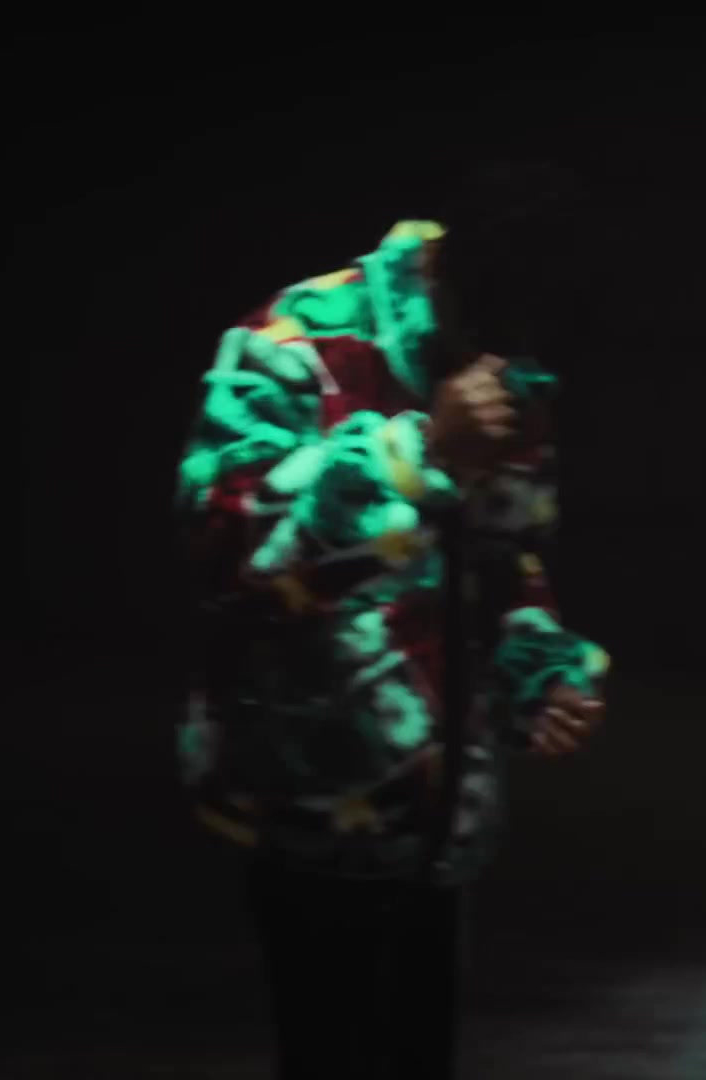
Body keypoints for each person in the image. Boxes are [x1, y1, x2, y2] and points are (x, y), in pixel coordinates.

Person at [174, 161, 609, 1079]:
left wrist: (534, 665)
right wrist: (420, 449)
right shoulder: (291, 340)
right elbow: (225, 556)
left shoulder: (512, 354)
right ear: (450, 270)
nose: (511, 362)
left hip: (442, 820)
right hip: (306, 802)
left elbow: (504, 556)